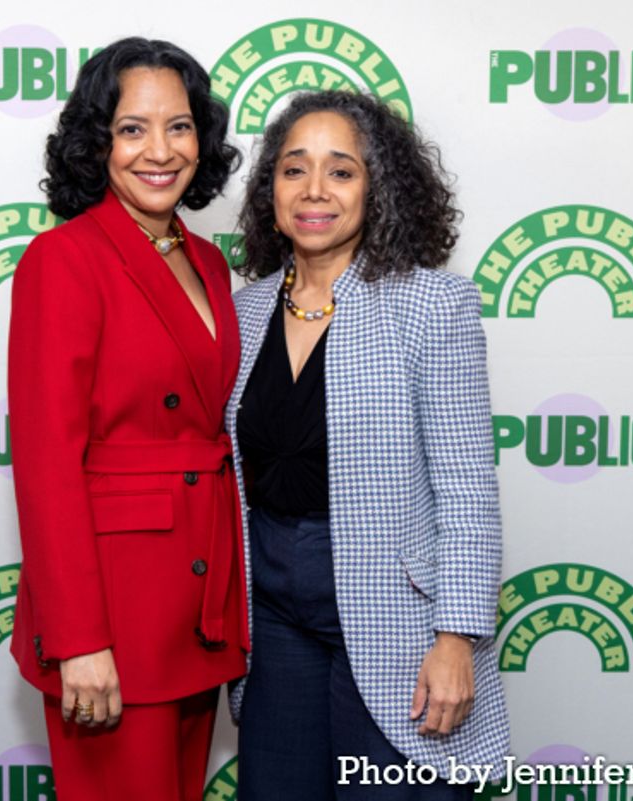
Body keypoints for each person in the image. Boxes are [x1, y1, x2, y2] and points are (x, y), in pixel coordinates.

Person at [226, 91, 510, 799]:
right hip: (271, 607)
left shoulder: (430, 303)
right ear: (271, 189)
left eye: (341, 170)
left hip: (395, 612)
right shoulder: (244, 308)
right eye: (294, 169)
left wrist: (456, 639)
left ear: (378, 186)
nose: (315, 190)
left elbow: (467, 486)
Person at [6, 37, 246, 801]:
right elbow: (46, 463)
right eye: (132, 128)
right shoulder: (63, 259)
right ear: (96, 141)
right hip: (114, 611)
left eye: (179, 126)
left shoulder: (207, 261)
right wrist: (80, 640)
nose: (160, 150)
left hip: (197, 603)